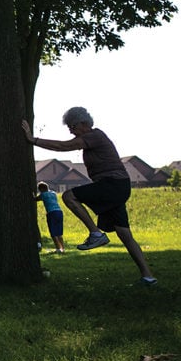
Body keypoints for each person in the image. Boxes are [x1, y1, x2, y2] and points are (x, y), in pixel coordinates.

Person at [22, 107, 157, 285]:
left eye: (73, 126)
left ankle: (95, 234)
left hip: (113, 184)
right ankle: (148, 276)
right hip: (116, 186)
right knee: (124, 233)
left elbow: (64, 146)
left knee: (69, 196)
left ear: (84, 124)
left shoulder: (94, 136)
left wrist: (33, 140)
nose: (71, 130)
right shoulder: (91, 138)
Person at [35, 181, 65, 254]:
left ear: (41, 189)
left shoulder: (43, 195)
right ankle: (63, 249)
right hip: (59, 212)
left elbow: (35, 199)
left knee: (53, 232)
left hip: (51, 213)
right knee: (59, 232)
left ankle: (58, 249)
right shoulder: (53, 193)